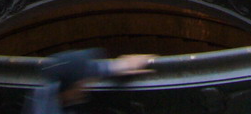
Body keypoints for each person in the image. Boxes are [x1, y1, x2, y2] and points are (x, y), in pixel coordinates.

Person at [21, 49, 154, 114]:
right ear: (71, 86)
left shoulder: (50, 88)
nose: (86, 85)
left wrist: (121, 65)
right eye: (82, 82)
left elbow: (91, 70)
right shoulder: (44, 110)